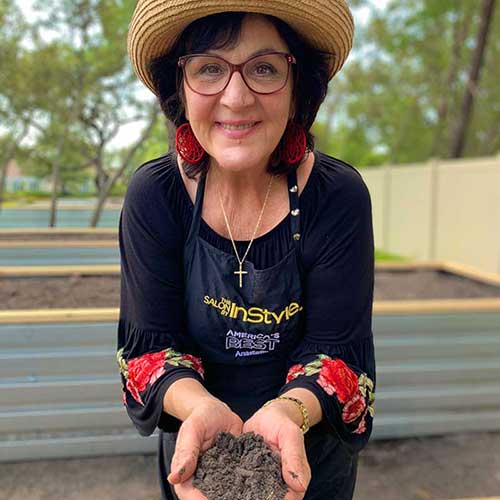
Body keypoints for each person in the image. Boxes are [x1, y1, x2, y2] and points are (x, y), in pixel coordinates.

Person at [117, 1, 375, 499]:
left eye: (264, 68)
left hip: (310, 455)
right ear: (181, 86)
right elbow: (149, 348)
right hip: (197, 449)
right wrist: (198, 409)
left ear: (299, 87)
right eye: (209, 68)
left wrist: (287, 414)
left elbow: (339, 352)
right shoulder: (156, 195)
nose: (236, 97)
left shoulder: (336, 197)